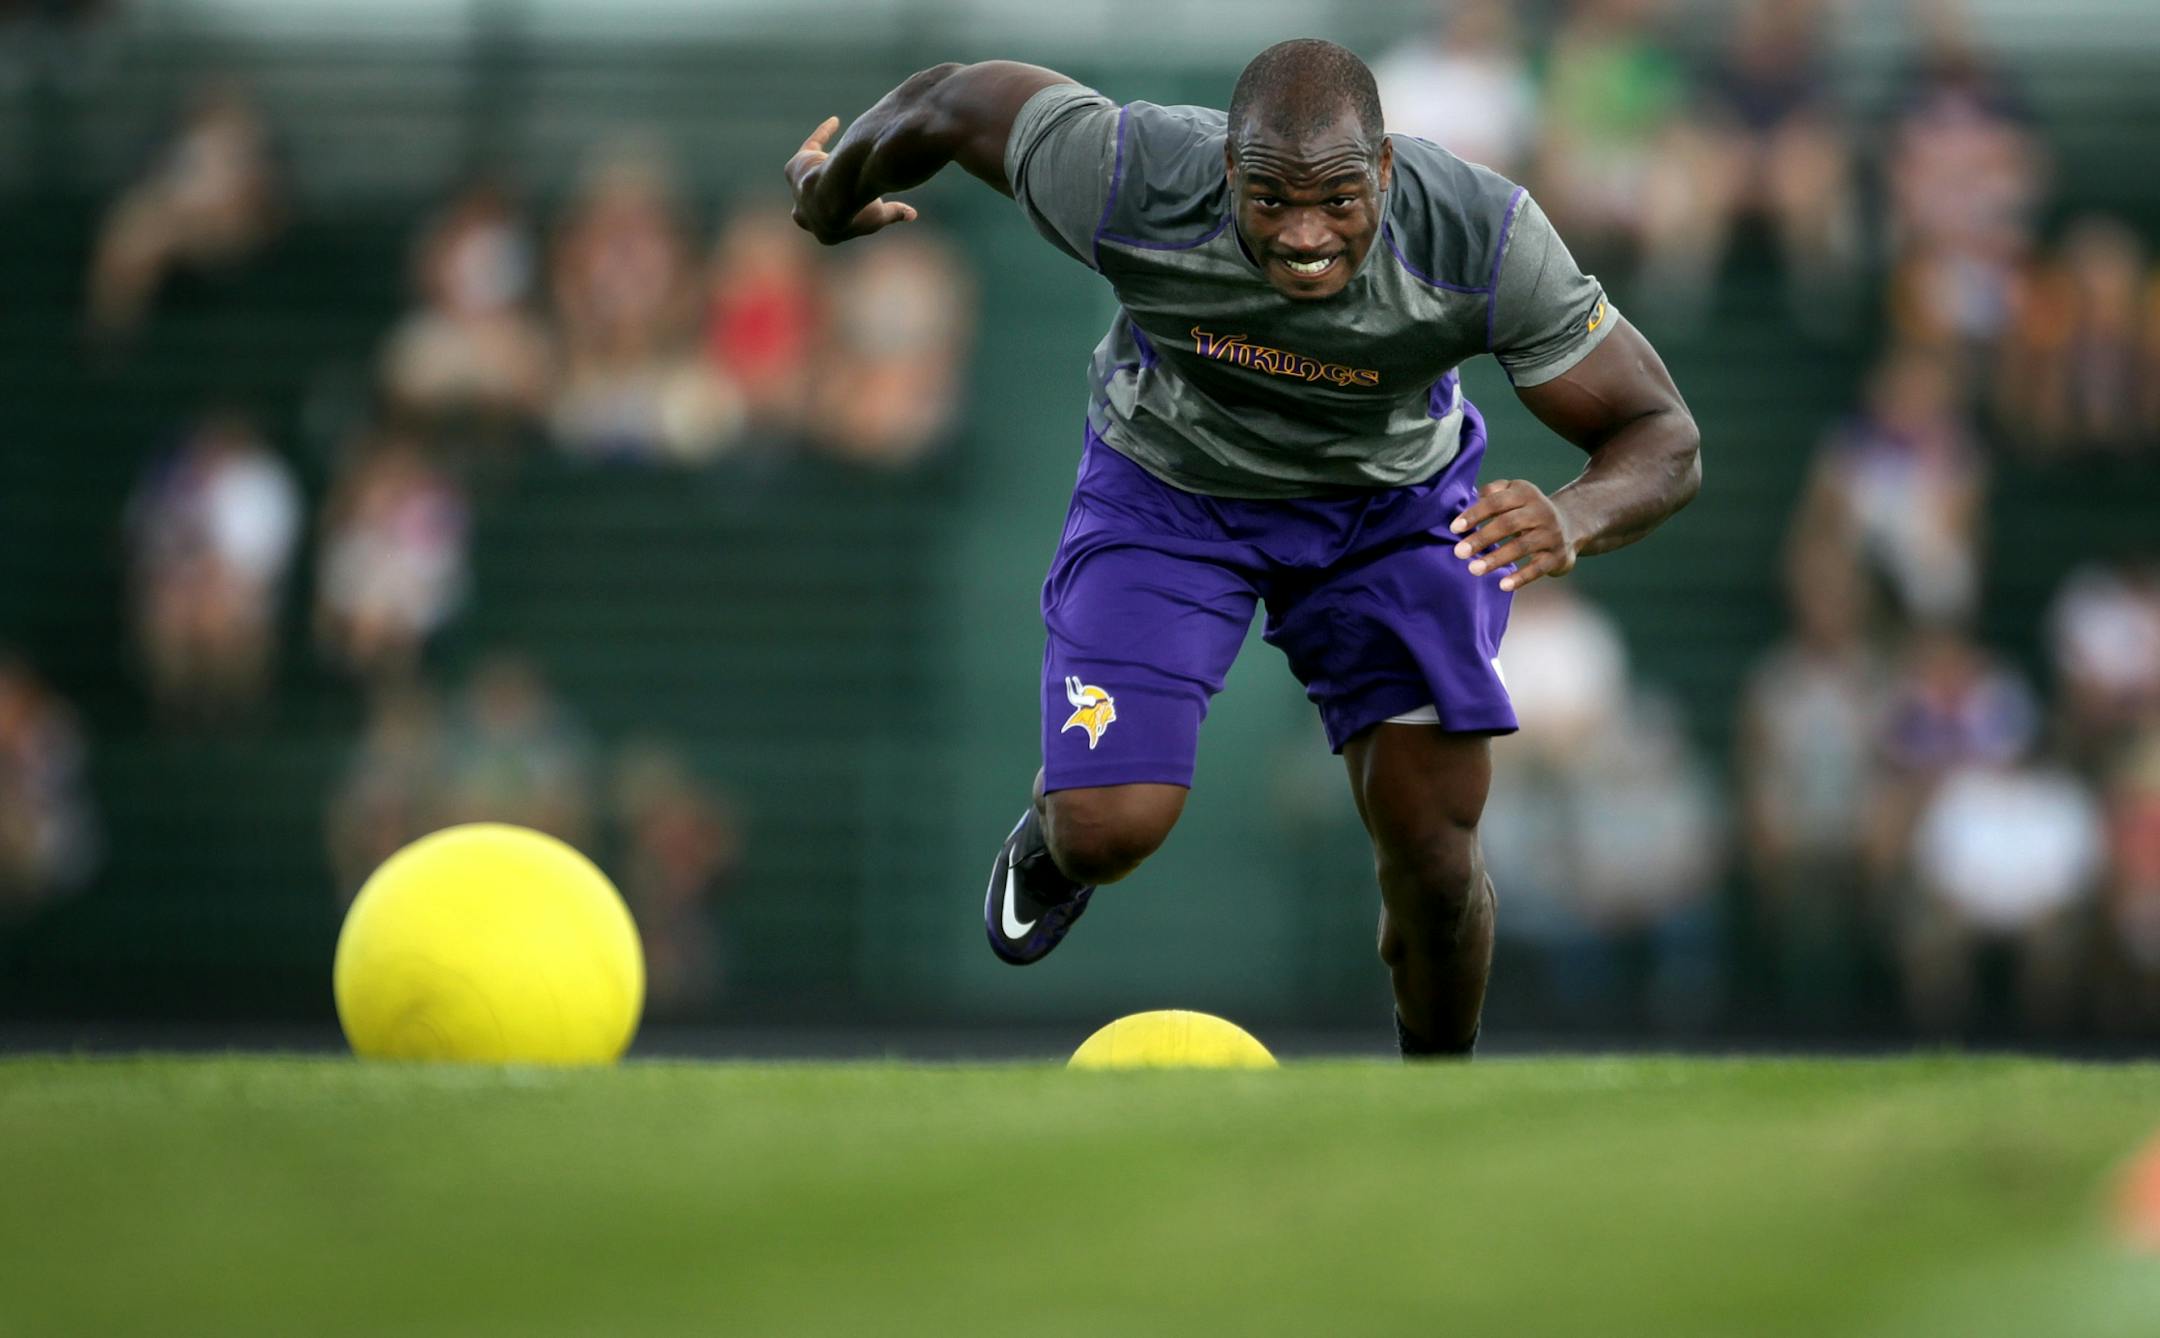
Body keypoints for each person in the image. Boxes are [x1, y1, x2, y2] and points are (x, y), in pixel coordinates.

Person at [785, 42, 1701, 1057]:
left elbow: (1663, 434)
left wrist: (1574, 516)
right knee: (1107, 831)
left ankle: (1439, 1102)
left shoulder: (1482, 234)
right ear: (1225, 170)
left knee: (1436, 860)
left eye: (1340, 201)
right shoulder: (1131, 171)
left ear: (1388, 169)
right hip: (1171, 492)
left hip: (1387, 512)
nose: (1307, 237)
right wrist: (836, 195)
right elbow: (951, 101)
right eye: (1271, 200)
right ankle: (1049, 842)